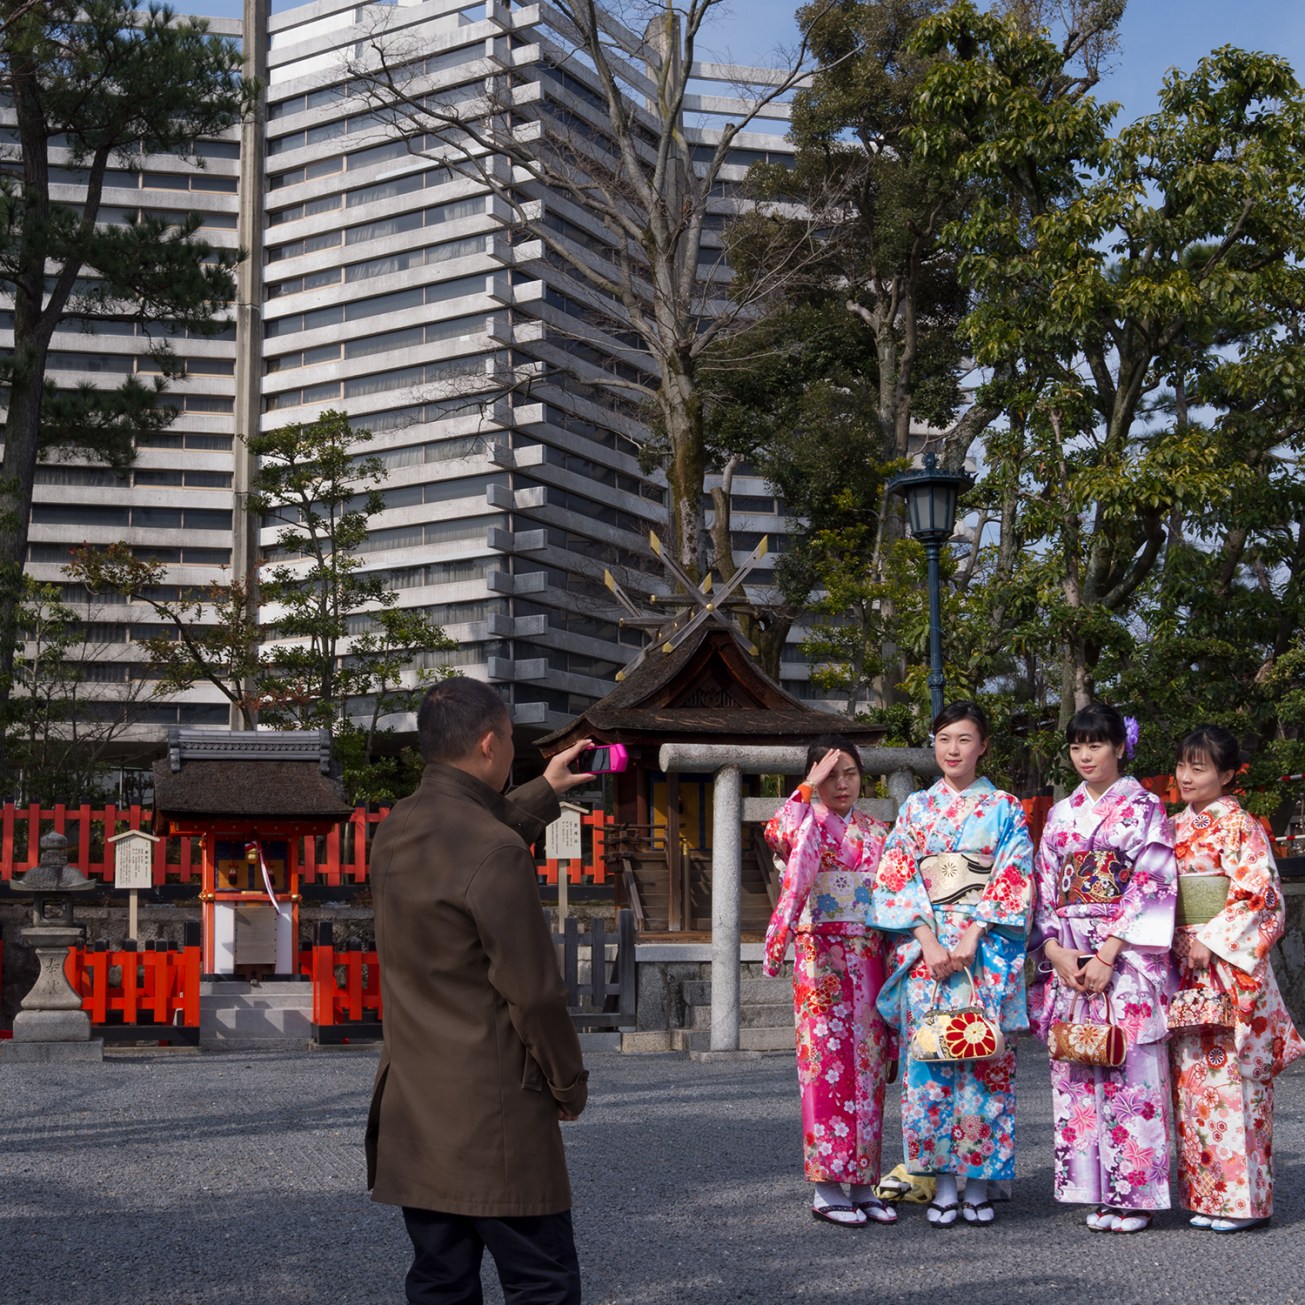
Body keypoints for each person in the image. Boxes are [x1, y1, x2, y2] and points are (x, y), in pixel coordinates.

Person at [365, 677, 596, 1304]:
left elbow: (466, 834)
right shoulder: (496, 850)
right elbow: (535, 994)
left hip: (417, 1107)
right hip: (495, 1118)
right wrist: (568, 1083)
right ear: (491, 743)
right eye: (511, 739)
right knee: (541, 1282)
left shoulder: (395, 829)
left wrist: (545, 787)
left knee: (440, 1281)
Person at [870, 701, 1033, 1227]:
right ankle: (942, 1184)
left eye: (964, 739)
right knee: (930, 1064)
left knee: (985, 1061)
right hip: (928, 950)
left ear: (983, 746)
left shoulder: (1005, 807)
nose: (953, 750)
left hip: (983, 950)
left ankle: (979, 1183)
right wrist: (928, 940)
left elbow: (1014, 876)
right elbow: (895, 877)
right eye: (943, 740)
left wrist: (974, 933)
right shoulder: (917, 808)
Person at [1031, 703, 1176, 1234]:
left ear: (1119, 747)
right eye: (1076, 746)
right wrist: (1053, 951)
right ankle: (1094, 1190)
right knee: (1079, 1064)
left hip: (1125, 957)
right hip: (1071, 955)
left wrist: (1110, 951)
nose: (1085, 756)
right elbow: (1045, 887)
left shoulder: (1144, 807)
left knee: (1131, 1070)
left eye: (1095, 745)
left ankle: (1134, 1194)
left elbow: (1153, 880)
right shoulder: (1061, 814)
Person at [1169, 725, 1304, 1232]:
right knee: (1192, 1084)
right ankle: (1208, 1198)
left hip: (1227, 965)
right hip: (1184, 964)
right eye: (1182, 766)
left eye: (1199, 768)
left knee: (1234, 1080)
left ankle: (1245, 1204)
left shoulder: (1241, 826)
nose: (1186, 776)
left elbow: (1261, 896)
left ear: (1226, 775)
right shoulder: (1171, 827)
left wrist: (1213, 939)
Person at [762, 735, 896, 1228]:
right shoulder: (804, 822)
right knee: (824, 1067)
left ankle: (862, 1184)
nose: (842, 784)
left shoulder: (877, 832)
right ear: (815, 777)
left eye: (851, 774)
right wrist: (805, 787)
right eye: (831, 776)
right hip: (820, 957)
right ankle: (825, 1186)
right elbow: (777, 833)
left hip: (868, 956)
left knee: (870, 1068)